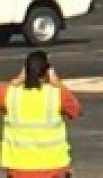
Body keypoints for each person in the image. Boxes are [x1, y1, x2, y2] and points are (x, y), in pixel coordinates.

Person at [1, 50, 81, 178]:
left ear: (25, 72)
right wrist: (58, 84)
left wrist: (15, 81)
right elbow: (76, 110)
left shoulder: (10, 93)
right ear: (48, 72)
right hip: (53, 168)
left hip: (18, 169)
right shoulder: (56, 93)